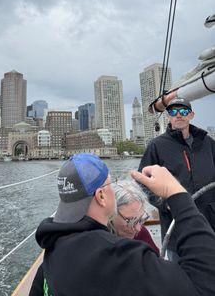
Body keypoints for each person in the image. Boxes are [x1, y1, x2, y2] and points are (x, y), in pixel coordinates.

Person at [29, 153, 215, 296]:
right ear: (101, 196)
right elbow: (204, 283)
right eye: (111, 183)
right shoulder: (116, 257)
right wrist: (176, 193)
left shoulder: (53, 248)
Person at [139, 97, 215, 261]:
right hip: (176, 227)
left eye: (183, 111)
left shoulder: (208, 142)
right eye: (173, 111)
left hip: (210, 223)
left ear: (191, 115)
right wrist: (164, 203)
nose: (178, 115)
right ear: (168, 116)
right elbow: (143, 181)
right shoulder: (157, 146)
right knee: (181, 276)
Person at [108, 180, 159, 253]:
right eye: (130, 221)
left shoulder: (142, 234)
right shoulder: (95, 239)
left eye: (141, 219)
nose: (138, 228)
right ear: (110, 213)